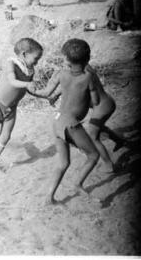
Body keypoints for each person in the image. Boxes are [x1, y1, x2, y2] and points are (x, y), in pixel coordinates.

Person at [28, 39, 100, 205]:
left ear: (66, 59)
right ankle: (78, 184)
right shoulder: (88, 77)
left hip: (56, 120)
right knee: (93, 155)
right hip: (71, 124)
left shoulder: (61, 73)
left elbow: (46, 92)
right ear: (88, 60)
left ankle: (49, 197)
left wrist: (30, 90)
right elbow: (95, 102)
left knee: (63, 162)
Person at [48, 65, 126, 174]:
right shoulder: (81, 69)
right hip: (103, 104)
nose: (65, 63)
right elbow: (72, 84)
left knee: (93, 135)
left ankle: (109, 166)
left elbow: (74, 84)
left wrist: (55, 94)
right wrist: (56, 94)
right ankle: (119, 140)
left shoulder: (83, 71)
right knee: (98, 127)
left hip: (102, 106)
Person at [0, 38, 42, 171]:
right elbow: (12, 81)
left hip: (12, 108)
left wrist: (45, 97)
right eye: (36, 58)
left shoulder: (30, 70)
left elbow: (28, 89)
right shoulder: (11, 64)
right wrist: (27, 83)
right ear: (24, 54)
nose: (37, 61)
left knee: (5, 137)